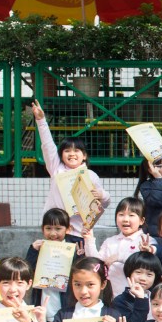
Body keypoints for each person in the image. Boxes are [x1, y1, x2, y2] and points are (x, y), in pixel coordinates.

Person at [31, 100, 110, 236]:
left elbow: (103, 204)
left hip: (79, 233)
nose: (72, 154)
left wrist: (102, 195)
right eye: (67, 151)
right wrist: (41, 120)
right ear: (61, 155)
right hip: (56, 231)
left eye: (76, 151)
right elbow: (47, 145)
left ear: (84, 156)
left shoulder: (91, 176)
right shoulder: (56, 168)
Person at [85, 197, 155, 298]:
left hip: (137, 298)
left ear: (141, 220)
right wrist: (89, 239)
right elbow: (96, 264)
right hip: (112, 298)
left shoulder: (147, 241)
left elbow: (144, 264)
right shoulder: (110, 242)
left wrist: (118, 257)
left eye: (131, 215)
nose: (125, 219)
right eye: (121, 215)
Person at [26, 207, 79, 322]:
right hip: (44, 301)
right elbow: (27, 271)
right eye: (48, 228)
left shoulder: (75, 247)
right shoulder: (38, 248)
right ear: (42, 229)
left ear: (68, 229)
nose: (53, 233)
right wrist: (33, 251)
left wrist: (79, 254)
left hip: (66, 303)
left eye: (58, 229)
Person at [111, 250, 161, 322]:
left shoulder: (158, 298)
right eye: (138, 272)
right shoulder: (120, 301)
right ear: (129, 273)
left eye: (149, 274)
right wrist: (140, 299)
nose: (143, 278)